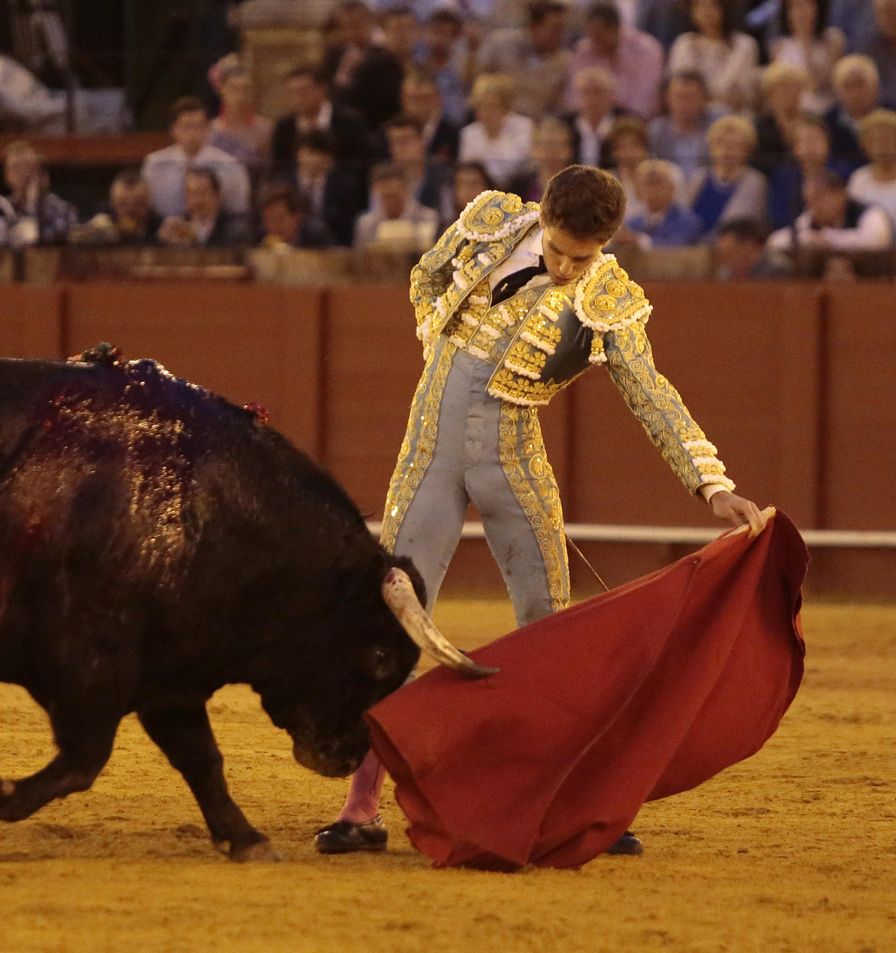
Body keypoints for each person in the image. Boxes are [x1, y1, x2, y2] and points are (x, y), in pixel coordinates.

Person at [313, 165, 764, 858]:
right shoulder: (491, 220)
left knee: (550, 628)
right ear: (542, 216)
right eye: (557, 250)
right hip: (429, 449)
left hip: (513, 459)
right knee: (395, 614)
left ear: (606, 245)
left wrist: (711, 483)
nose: (565, 269)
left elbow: (650, 392)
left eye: (582, 258)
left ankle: (578, 806)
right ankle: (361, 807)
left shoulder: (608, 297)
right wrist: (442, 348)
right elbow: (426, 277)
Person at [142, 96, 250, 218]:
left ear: (208, 129)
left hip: (216, 227)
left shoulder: (229, 165)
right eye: (187, 126)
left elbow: (239, 211)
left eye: (198, 126)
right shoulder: (155, 164)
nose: (192, 133)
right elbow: (148, 209)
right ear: (173, 129)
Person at [269, 64, 373, 186]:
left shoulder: (349, 123)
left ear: (322, 89)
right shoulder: (284, 127)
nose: (299, 98)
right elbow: (279, 170)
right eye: (293, 92)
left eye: (304, 91)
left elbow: (361, 167)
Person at [475, 0, 570, 119]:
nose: (560, 36)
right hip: (496, 120)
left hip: (536, 125)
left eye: (562, 30)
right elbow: (478, 80)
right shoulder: (499, 44)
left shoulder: (564, 62)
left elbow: (557, 108)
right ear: (534, 27)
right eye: (555, 29)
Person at [568, 2, 664, 118]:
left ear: (616, 29)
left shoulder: (645, 49)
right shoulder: (584, 51)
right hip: (594, 119)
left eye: (600, 35)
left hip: (636, 120)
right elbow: (573, 98)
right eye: (591, 35)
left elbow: (645, 99)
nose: (595, 42)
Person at [767, 168, 895, 253]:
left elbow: (876, 241)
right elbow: (776, 241)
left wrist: (828, 239)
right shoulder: (810, 216)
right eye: (808, 201)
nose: (813, 206)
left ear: (840, 195)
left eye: (818, 198)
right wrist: (809, 239)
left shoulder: (871, 213)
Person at [667, 0, 761, 114]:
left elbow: (741, 96)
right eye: (699, 6)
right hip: (691, 118)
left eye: (713, 5)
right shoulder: (683, 44)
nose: (706, 12)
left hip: (733, 117)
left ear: (724, 8)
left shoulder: (745, 45)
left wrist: (703, 99)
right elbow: (681, 92)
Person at [683, 114, 769, 238]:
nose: (727, 150)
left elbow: (749, 224)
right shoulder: (699, 177)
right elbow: (684, 218)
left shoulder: (755, 182)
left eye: (736, 145)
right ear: (711, 148)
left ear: (747, 150)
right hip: (692, 244)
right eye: (721, 143)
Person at [768, 114, 855, 228]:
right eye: (805, 140)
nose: (811, 145)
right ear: (794, 148)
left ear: (828, 143)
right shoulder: (784, 176)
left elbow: (851, 211)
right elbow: (779, 216)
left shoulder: (843, 172)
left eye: (816, 139)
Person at [458, 73, 534, 190]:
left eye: (492, 106)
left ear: (505, 106)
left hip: (519, 188)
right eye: (480, 106)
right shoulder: (469, 133)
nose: (485, 112)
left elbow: (523, 166)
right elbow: (468, 171)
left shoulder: (524, 127)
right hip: (482, 191)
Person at [0, 139, 79, 246]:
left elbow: (38, 241)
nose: (23, 174)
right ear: (7, 176)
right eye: (15, 167)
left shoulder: (63, 209)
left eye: (28, 167)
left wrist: (32, 205)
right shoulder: (2, 208)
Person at [771, 0, 846, 113]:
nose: (802, 12)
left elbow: (821, 84)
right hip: (795, 112)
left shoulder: (832, 40)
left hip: (827, 111)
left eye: (807, 5)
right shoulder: (779, 47)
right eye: (796, 7)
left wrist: (806, 41)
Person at [291, 129, 362, 246]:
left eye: (320, 154)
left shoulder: (344, 187)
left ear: (329, 158)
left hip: (332, 248)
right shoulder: (285, 183)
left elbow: (347, 228)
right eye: (310, 152)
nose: (314, 159)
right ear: (298, 154)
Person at [156, 166, 254, 247]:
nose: (196, 200)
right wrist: (164, 243)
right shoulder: (177, 226)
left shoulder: (236, 228)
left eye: (202, 192)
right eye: (191, 193)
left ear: (217, 195)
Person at [648, 71, 717, 181]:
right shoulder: (656, 131)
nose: (684, 103)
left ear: (704, 99)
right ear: (667, 98)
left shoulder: (715, 127)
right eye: (679, 96)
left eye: (691, 97)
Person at [621, 159, 704, 247]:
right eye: (647, 183)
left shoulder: (688, 222)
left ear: (672, 188)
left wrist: (641, 241)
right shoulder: (631, 224)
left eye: (658, 182)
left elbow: (677, 246)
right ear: (638, 189)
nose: (652, 189)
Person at [354, 161, 438, 248]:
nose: (390, 202)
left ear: (406, 189)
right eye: (385, 197)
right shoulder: (366, 224)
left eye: (394, 195)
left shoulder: (426, 217)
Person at [208, 64, 272, 177]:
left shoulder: (265, 129)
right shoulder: (211, 130)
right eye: (234, 89)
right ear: (223, 90)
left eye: (245, 89)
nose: (240, 96)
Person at [384, 115, 453, 220]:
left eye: (405, 141)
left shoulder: (442, 173)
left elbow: (448, 215)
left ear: (422, 141)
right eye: (394, 142)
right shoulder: (384, 177)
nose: (399, 148)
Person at [752, 62, 812, 176]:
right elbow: (759, 160)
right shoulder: (761, 126)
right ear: (770, 94)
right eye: (783, 88)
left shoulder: (812, 121)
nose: (789, 93)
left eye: (794, 87)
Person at [561, 67, 629, 168]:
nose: (592, 98)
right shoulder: (564, 125)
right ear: (576, 97)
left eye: (598, 92)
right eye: (586, 92)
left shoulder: (625, 122)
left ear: (612, 95)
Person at [824, 55, 885, 167]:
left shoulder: (890, 116)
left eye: (860, 84)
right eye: (847, 86)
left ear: (875, 86)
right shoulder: (827, 122)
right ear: (837, 91)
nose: (855, 93)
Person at [74, 167, 160, 246]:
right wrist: (90, 232)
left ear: (149, 202)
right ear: (112, 202)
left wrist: (163, 242)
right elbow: (74, 235)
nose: (131, 210)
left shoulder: (158, 225)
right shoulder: (102, 217)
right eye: (123, 204)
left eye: (139, 203)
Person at [847, 108, 896, 226]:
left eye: (888, 140)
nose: (882, 147)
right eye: (875, 141)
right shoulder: (858, 179)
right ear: (865, 145)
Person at [256, 180, 333, 249]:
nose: (274, 225)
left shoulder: (316, 237)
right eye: (268, 219)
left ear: (297, 216)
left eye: (279, 217)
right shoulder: (259, 240)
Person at [847, 0, 896, 105]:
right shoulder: (869, 46)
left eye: (894, 12)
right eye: (885, 12)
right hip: (877, 109)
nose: (890, 18)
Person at [515, 117, 574, 202]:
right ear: (534, 149)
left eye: (558, 145)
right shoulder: (519, 186)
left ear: (569, 149)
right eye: (546, 145)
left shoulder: (581, 185)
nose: (552, 152)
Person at [712, 217, 791, 279]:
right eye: (723, 255)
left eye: (730, 253)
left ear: (748, 245)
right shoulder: (726, 273)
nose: (727, 262)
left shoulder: (777, 269)